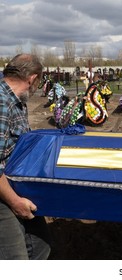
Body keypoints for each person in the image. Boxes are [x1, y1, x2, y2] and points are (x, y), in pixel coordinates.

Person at [0, 54, 51, 259]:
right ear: (32, 79)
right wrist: (14, 202)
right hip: (3, 194)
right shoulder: (2, 104)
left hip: (14, 186)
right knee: (15, 258)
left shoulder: (17, 100)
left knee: (40, 246)